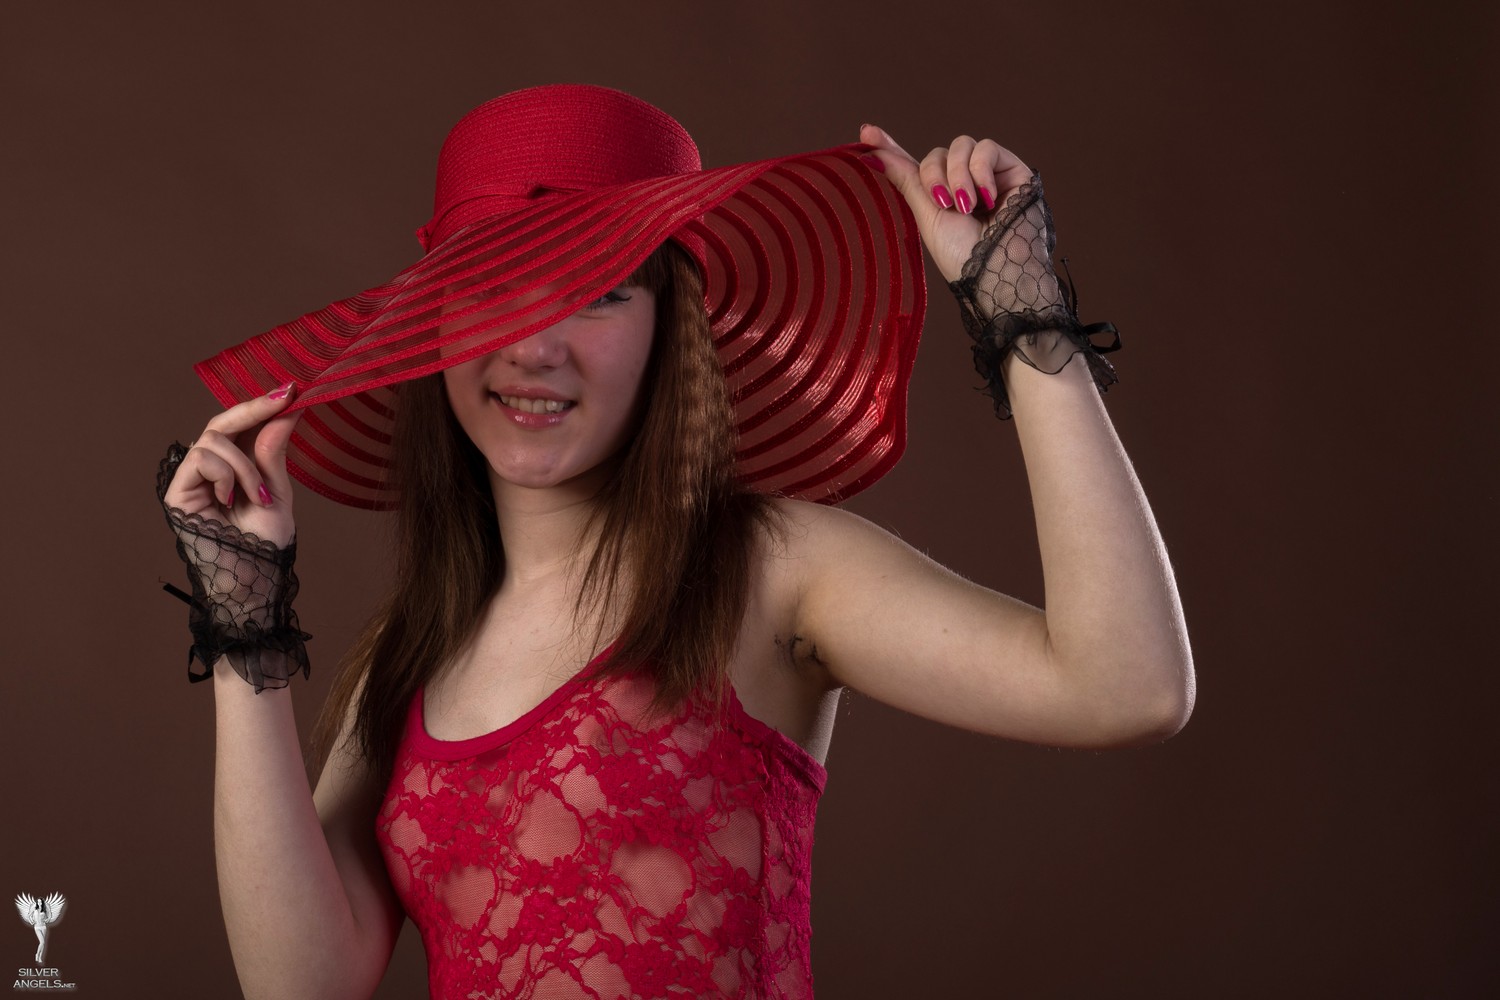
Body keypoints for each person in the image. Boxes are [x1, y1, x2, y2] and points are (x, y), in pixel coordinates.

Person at [158, 84, 1193, 1000]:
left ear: (672, 328)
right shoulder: (407, 656)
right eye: (491, 285)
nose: (535, 347)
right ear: (436, 323)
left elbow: (1128, 688)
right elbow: (299, 983)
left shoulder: (773, 568)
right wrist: (244, 616)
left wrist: (1024, 311)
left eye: (598, 288)